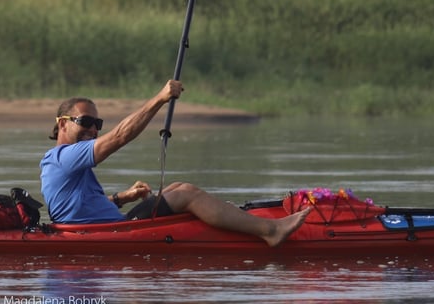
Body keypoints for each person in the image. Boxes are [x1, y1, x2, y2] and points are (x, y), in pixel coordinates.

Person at [40, 80, 310, 246]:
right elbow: (121, 136)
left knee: (176, 187)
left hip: (106, 223)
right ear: (62, 124)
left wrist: (123, 196)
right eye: (85, 122)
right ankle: (271, 230)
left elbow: (77, 206)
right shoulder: (65, 157)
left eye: (97, 124)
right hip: (107, 233)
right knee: (185, 194)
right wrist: (159, 98)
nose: (93, 129)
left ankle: (237, 221)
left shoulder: (59, 162)